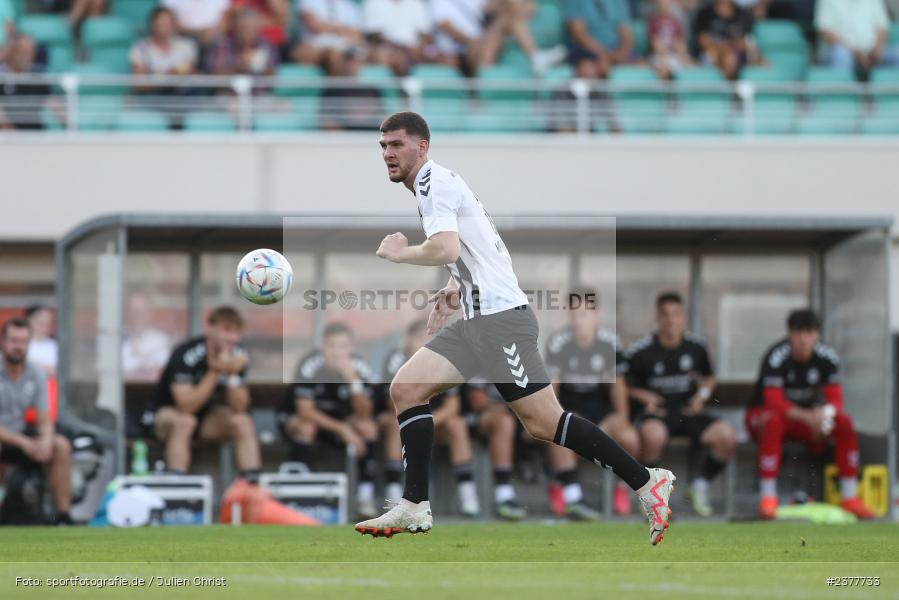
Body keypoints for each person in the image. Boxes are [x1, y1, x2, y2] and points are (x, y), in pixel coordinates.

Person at [356, 111, 675, 544]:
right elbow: (479, 251)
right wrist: (456, 286)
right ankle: (415, 506)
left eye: (396, 145)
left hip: (501, 322)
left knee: (544, 423)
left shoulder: (435, 183)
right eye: (383, 146)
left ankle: (646, 481)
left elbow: (445, 246)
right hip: (477, 321)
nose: (388, 154)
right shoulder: (436, 185)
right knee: (406, 388)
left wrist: (401, 253)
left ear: (422, 146)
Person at [745, 309, 873, 520]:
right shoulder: (776, 356)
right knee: (773, 421)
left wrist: (825, 415)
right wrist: (809, 417)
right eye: (798, 332)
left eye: (809, 332)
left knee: (844, 422)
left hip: (807, 420)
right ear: (790, 334)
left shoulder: (827, 356)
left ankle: (850, 498)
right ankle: (767, 499)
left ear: (817, 334)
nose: (804, 339)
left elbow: (835, 399)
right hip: (765, 416)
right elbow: (773, 403)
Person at [625, 292, 737, 517]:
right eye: (665, 315)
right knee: (653, 435)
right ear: (657, 317)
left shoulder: (695, 347)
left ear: (683, 317)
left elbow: (709, 377)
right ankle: (651, 494)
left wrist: (701, 396)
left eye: (676, 314)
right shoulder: (641, 351)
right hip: (659, 413)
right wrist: (644, 396)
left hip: (688, 411)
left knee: (727, 436)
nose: (671, 320)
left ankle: (699, 487)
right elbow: (623, 385)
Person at [545, 288, 640, 519]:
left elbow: (618, 384)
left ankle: (622, 489)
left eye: (585, 314)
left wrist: (621, 417)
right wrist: (555, 416)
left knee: (630, 437)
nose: (579, 321)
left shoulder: (610, 342)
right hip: (570, 409)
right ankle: (571, 496)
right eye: (574, 314)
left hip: (600, 411)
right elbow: (552, 386)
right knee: (559, 435)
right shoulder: (558, 342)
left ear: (597, 314)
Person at [380, 320, 482, 517]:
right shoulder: (396, 361)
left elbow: (452, 407)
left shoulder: (445, 360)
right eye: (420, 338)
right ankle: (393, 494)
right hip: (403, 419)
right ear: (408, 341)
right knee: (394, 424)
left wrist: (425, 422)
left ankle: (468, 495)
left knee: (458, 424)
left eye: (430, 339)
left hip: (436, 421)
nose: (425, 344)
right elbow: (391, 405)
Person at [278, 322, 381, 519]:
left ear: (351, 348)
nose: (336, 352)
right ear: (323, 347)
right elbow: (305, 411)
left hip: (342, 422)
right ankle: (297, 494)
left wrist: (353, 382)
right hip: (302, 419)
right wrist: (342, 429)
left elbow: (365, 412)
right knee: (306, 428)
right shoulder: (310, 364)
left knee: (368, 428)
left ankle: (364, 498)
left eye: (342, 346)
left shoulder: (359, 367)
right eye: (331, 346)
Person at [152, 306, 262, 481]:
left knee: (242, 422)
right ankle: (176, 486)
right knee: (185, 422)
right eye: (226, 331)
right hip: (167, 415)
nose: (232, 338)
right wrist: (215, 372)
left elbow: (240, 407)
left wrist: (233, 375)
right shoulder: (186, 353)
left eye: (236, 332)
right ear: (210, 328)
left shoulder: (239, 354)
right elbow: (186, 405)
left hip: (206, 420)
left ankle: (252, 488)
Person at [0, 317, 72, 524]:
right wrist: (24, 443)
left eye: (23, 342)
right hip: (10, 438)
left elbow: (44, 417)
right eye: (13, 341)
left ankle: (63, 517)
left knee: (61, 445)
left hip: (21, 435)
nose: (18, 347)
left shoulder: (36, 374)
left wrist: (46, 440)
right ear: (3, 342)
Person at [432, 0, 566, 75]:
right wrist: (472, 41)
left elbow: (492, 7)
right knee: (490, 43)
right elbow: (447, 27)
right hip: (460, 50)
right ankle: (536, 57)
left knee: (508, 18)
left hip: (481, 41)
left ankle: (535, 57)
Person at [130, 7, 199, 97]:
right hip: (153, 98)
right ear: (152, 24)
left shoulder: (186, 46)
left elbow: (192, 73)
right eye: (161, 23)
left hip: (184, 96)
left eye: (168, 23)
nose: (164, 27)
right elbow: (140, 84)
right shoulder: (140, 48)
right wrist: (167, 76)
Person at [815, 0, 899, 75]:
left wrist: (877, 50)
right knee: (841, 55)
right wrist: (856, 54)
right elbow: (826, 31)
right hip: (845, 51)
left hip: (871, 52)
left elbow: (882, 27)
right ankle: (840, 91)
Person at [563, 0, 636, 79]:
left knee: (643, 66)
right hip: (586, 51)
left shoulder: (617, 2)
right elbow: (579, 33)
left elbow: (626, 34)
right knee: (589, 70)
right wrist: (604, 55)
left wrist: (621, 55)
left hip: (615, 52)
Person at [292, 0, 365, 75]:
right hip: (314, 47)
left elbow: (357, 35)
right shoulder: (307, 1)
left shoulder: (348, 5)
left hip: (345, 48)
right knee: (335, 56)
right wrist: (343, 29)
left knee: (355, 56)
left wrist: (328, 27)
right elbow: (314, 26)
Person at [363, 0, 434, 76]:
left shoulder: (416, 3)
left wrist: (419, 49)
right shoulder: (373, 2)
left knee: (431, 53)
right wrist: (402, 49)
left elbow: (425, 35)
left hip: (414, 49)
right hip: (387, 47)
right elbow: (374, 35)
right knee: (384, 56)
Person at [694, 0, 757, 80]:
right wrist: (725, 48)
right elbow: (703, 41)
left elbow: (747, 42)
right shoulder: (705, 13)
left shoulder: (743, 14)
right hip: (713, 54)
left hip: (739, 55)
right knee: (728, 57)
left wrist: (730, 47)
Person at [206, 7, 279, 76]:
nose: (247, 32)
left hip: (259, 89)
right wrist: (239, 66)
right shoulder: (223, 44)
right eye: (243, 27)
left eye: (251, 27)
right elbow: (215, 76)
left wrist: (258, 65)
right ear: (235, 27)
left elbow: (273, 75)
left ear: (258, 28)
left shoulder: (266, 45)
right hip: (228, 89)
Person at [0, 34, 51, 131]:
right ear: (13, 52)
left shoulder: (36, 76)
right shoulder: (1, 77)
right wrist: (17, 138)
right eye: (24, 51)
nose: (29, 56)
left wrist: (73, 127)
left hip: (34, 135)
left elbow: (53, 103)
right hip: (7, 139)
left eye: (32, 51)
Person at [122, 293, 174, 382]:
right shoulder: (118, 341)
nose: (138, 315)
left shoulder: (160, 340)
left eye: (142, 311)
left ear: (150, 313)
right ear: (127, 313)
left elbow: (163, 370)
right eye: (134, 311)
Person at [647, 0, 693, 79]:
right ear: (657, 6)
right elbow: (655, 43)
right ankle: (665, 90)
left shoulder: (677, 22)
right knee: (663, 68)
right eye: (661, 4)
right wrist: (663, 57)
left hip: (674, 55)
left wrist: (683, 56)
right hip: (659, 56)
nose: (664, 6)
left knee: (691, 67)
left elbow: (680, 42)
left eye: (666, 4)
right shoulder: (653, 22)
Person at [161, 0, 230, 46]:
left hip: (213, 38)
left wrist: (213, 32)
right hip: (182, 37)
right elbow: (166, 20)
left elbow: (226, 20)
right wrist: (195, 33)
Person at [24, 305, 57, 378]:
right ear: (28, 321)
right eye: (40, 322)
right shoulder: (21, 344)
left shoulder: (56, 346)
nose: (44, 327)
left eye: (47, 323)